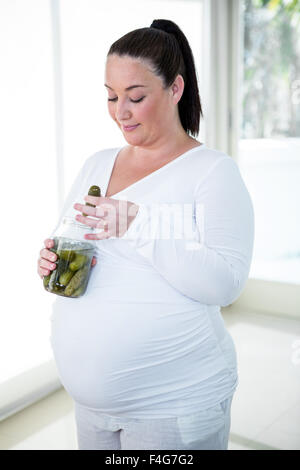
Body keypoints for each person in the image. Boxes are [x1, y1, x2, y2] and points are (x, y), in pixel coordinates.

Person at [37, 19, 254, 450]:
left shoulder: (212, 171)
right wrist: (50, 263)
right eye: (112, 96)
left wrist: (140, 223)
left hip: (174, 406)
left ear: (175, 89)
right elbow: (71, 241)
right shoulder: (97, 164)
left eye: (135, 97)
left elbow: (226, 284)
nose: (121, 111)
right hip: (92, 410)